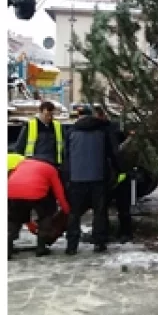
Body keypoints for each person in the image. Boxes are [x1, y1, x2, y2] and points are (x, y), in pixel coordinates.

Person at [64, 106, 120, 255]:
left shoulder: (71, 132)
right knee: (100, 212)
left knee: (74, 213)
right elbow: (113, 154)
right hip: (98, 177)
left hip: (76, 178)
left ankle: (71, 245)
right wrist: (116, 171)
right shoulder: (102, 132)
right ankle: (99, 243)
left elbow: (66, 157)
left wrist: (67, 177)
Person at [8, 156, 71, 258]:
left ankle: (7, 248)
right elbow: (59, 192)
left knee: (14, 219)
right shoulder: (51, 169)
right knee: (46, 213)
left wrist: (29, 224)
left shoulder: (23, 163)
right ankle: (41, 247)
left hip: (11, 191)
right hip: (36, 193)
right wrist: (66, 211)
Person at [94, 107, 134, 243]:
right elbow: (118, 153)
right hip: (113, 173)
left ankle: (117, 233)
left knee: (106, 207)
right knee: (117, 207)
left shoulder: (105, 131)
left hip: (108, 174)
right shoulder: (112, 129)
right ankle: (122, 233)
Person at [12, 101, 65, 167]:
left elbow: (63, 147)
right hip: (33, 164)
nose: (49, 117)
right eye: (46, 115)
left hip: (53, 165)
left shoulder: (57, 126)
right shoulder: (30, 125)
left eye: (51, 115)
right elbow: (20, 147)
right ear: (40, 112)